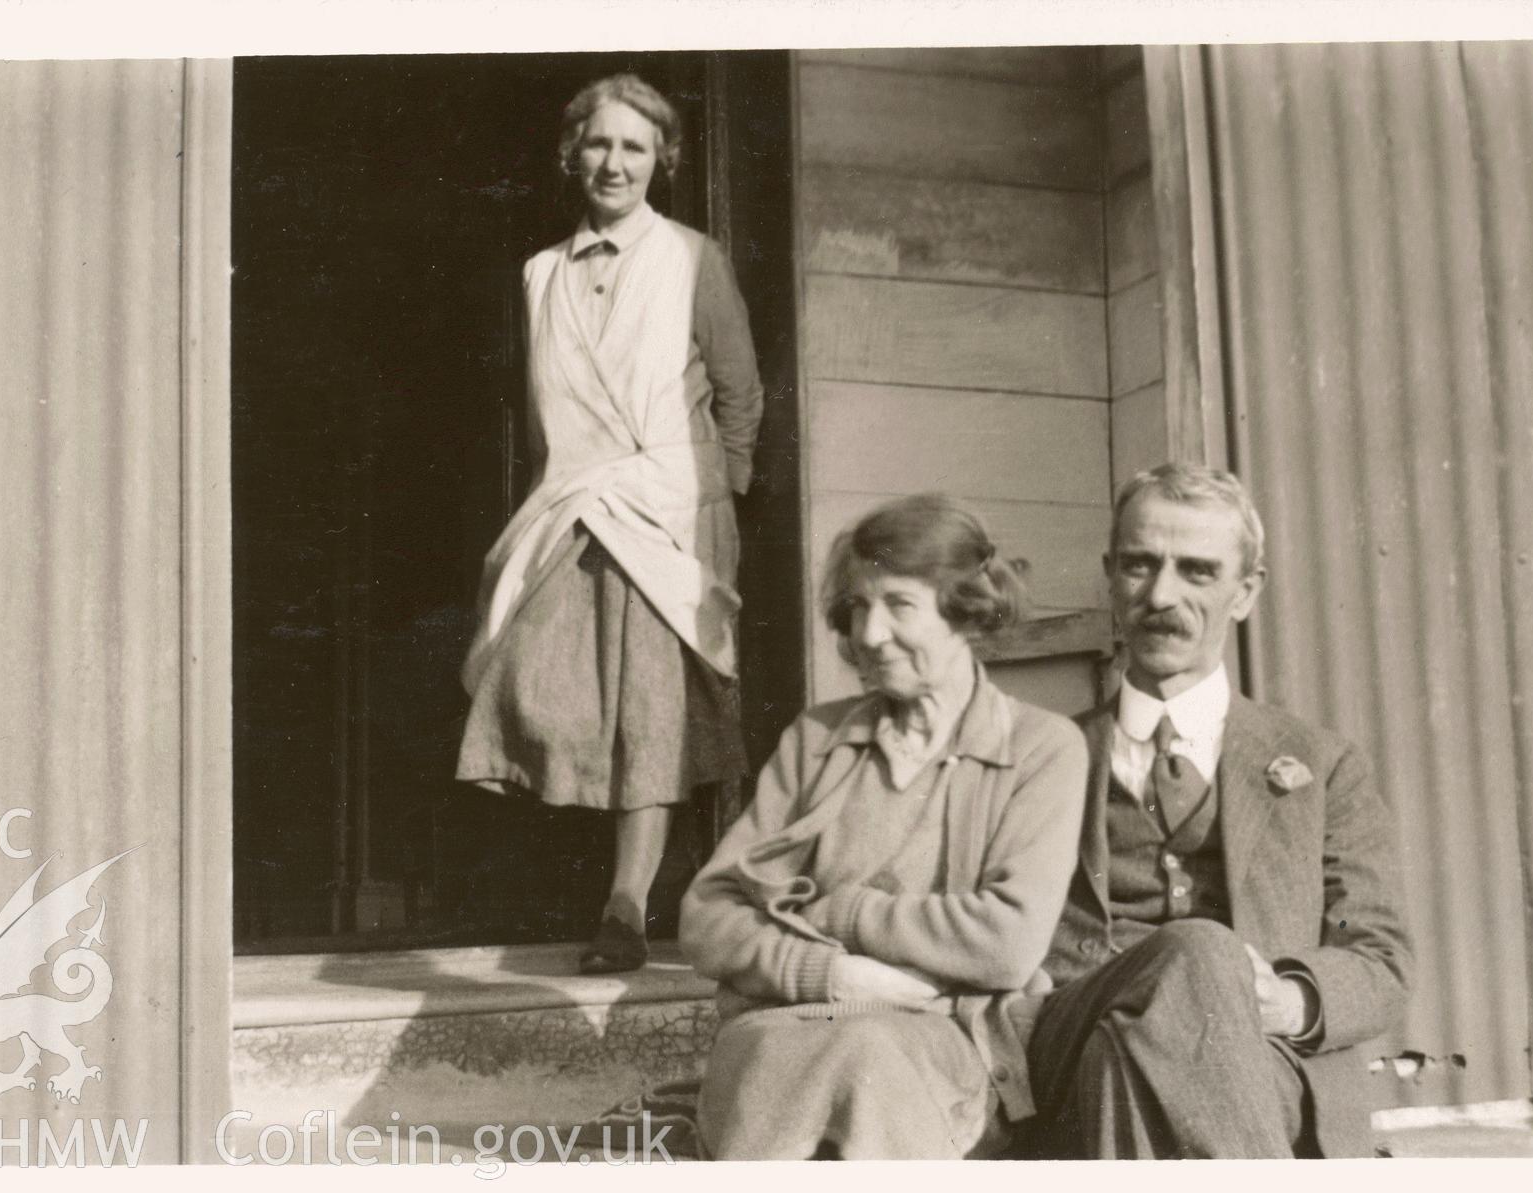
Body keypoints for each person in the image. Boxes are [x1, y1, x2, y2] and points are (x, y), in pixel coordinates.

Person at [457, 74, 764, 974]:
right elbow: (544, 405)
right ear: (571, 154)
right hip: (572, 504)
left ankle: (625, 904)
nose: (614, 162)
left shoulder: (693, 258)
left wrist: (716, 496)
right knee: (533, 686)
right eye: (598, 144)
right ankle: (584, 881)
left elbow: (740, 394)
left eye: (635, 147)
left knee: (654, 713)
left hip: (669, 512)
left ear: (662, 160)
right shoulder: (539, 274)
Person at [1022, 462, 1411, 1159]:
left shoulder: (1322, 763)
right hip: (1071, 1030)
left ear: (1245, 591)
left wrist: (1290, 999)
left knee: (1126, 1053)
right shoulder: (1043, 756)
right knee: (1200, 950)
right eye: (1140, 565)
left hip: (1262, 1058)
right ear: (1111, 575)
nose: (1161, 594)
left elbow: (1381, 962)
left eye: (1197, 571)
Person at [679, 495, 1088, 1159]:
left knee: (865, 1051)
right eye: (860, 607)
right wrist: (827, 974)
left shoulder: (1042, 747)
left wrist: (838, 910)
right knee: (832, 1051)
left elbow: (1008, 940)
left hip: (946, 1046)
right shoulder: (817, 740)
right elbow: (707, 915)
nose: (868, 634)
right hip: (785, 1028)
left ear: (967, 612)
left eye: (898, 605)